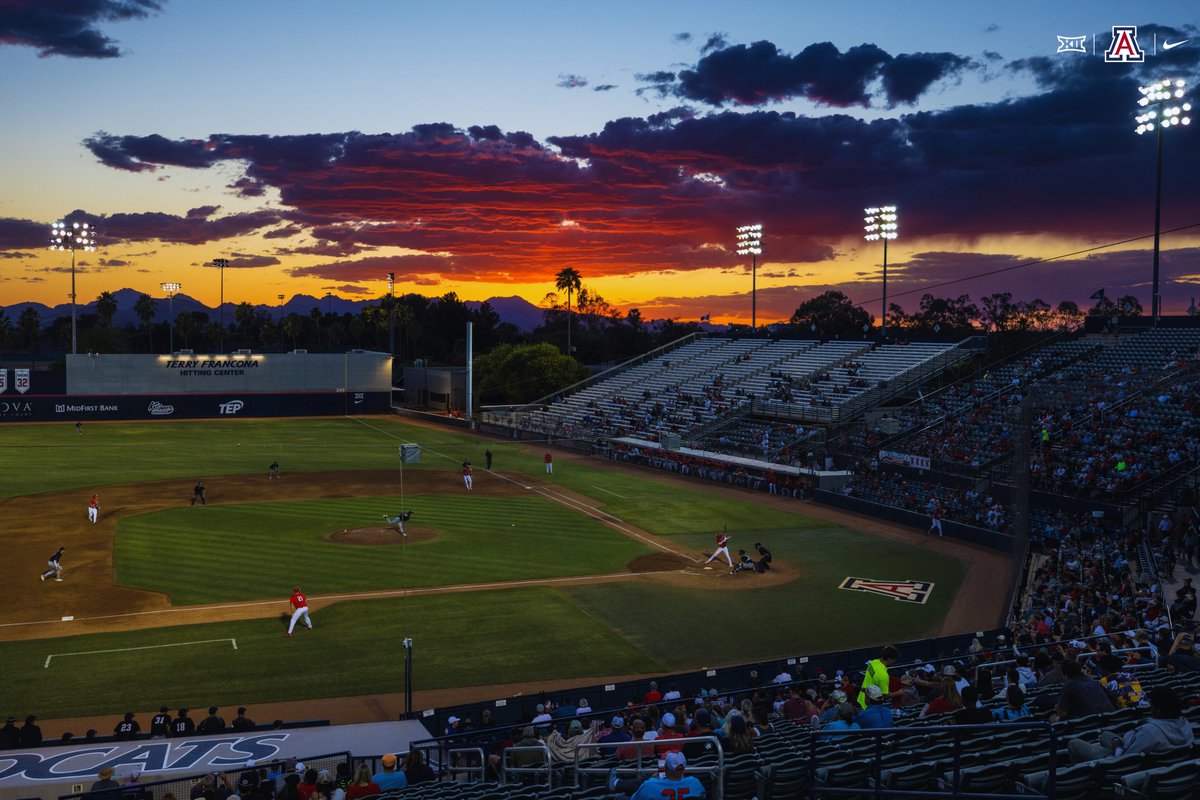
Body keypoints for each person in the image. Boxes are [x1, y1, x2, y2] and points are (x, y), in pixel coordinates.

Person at [1067, 686, 1193, 763]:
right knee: (1105, 735)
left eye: (1152, 705)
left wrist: (1117, 748)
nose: (1150, 708)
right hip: (1164, 757)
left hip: (1117, 764)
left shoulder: (1149, 731)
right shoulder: (1185, 723)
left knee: (1073, 743)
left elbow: (1126, 759)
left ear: (1158, 710)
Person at [609, 751, 705, 799]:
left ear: (665, 767)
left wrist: (654, 781)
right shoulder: (695, 783)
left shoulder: (650, 784)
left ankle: (616, 783)